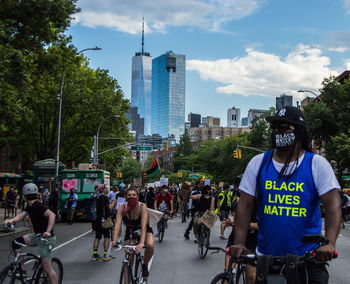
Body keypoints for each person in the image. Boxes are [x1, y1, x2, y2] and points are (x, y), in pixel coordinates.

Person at [229, 106, 341, 284]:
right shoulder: (258, 163)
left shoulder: (317, 164)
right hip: (265, 259)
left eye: (284, 127)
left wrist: (330, 243)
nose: (277, 132)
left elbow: (333, 206)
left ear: (299, 132)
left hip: (307, 260)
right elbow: (245, 205)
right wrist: (239, 243)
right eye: (274, 127)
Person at [4, 183, 58, 284]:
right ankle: (22, 271)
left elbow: (52, 215)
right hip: (37, 236)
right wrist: (11, 220)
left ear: (24, 195)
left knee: (48, 269)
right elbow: (21, 216)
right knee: (16, 243)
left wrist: (48, 231)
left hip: (46, 239)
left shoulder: (38, 205)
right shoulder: (29, 205)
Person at [112, 188, 154, 279]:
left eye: (134, 195)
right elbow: (117, 224)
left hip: (145, 230)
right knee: (129, 259)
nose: (131, 196)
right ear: (126, 197)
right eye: (129, 195)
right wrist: (114, 240)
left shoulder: (142, 206)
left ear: (137, 197)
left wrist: (141, 243)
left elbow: (144, 226)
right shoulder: (122, 207)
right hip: (131, 231)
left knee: (150, 245)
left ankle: (145, 265)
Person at [92, 186, 114, 261]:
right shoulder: (105, 198)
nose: (108, 189)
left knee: (97, 237)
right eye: (106, 188)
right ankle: (105, 254)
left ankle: (95, 254)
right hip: (104, 220)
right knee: (107, 237)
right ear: (103, 190)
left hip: (97, 219)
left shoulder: (97, 198)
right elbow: (109, 208)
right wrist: (114, 203)